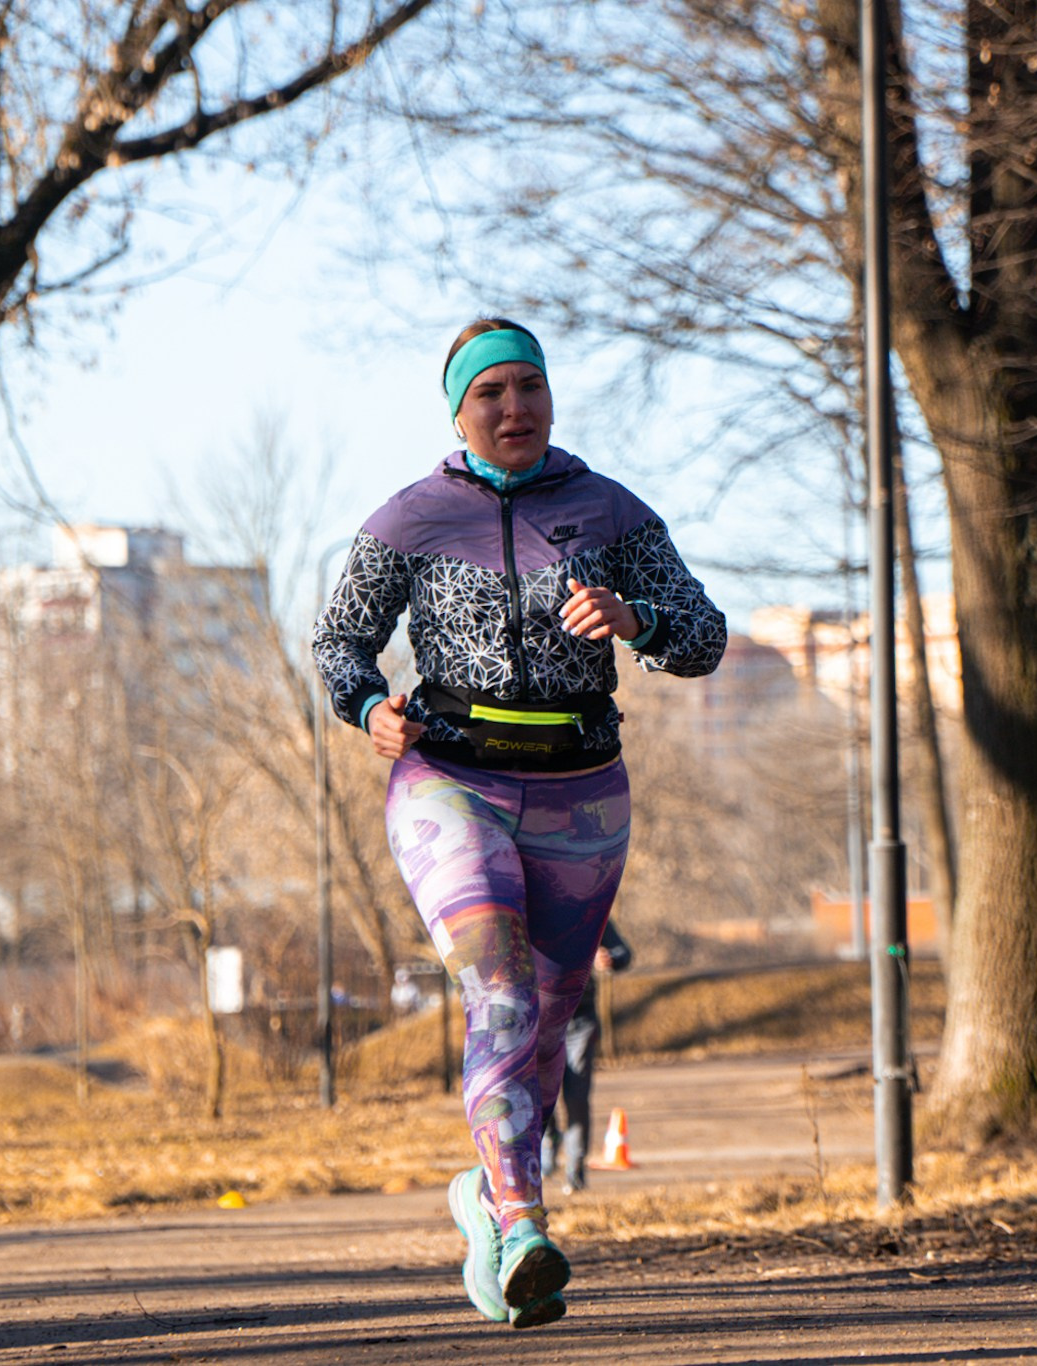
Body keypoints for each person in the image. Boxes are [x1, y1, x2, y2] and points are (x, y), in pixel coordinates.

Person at [312, 319, 726, 1330]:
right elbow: (338, 643)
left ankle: (486, 1202)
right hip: (449, 777)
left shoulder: (610, 511)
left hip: (581, 787)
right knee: (495, 988)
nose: (513, 407)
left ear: (549, 398)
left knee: (545, 1020)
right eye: (490, 391)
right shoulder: (409, 519)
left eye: (528, 387)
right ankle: (524, 1214)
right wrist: (370, 708)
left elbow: (705, 634)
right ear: (458, 410)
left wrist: (639, 621)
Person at [541, 920, 630, 1195]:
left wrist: (611, 959)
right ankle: (549, 1139)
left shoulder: (588, 905)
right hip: (540, 1019)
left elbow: (623, 953)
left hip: (580, 1019)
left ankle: (575, 1171)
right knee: (543, 1093)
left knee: (576, 1095)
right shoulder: (526, 902)